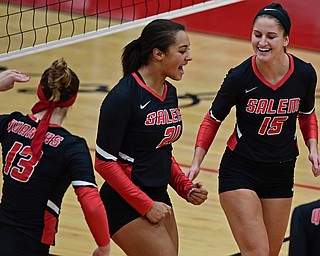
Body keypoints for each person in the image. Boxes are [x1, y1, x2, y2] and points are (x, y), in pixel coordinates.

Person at [187, 2, 320, 256]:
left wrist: (312, 148)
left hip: (281, 171)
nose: (262, 42)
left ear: (286, 39)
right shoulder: (239, 77)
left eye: (271, 36)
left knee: (270, 253)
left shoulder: (304, 73)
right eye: (257, 35)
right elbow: (212, 118)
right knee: (257, 253)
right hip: (240, 169)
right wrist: (196, 161)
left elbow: (306, 114)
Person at [94, 19, 208, 256]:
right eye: (182, 51)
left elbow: (162, 149)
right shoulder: (122, 97)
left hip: (157, 193)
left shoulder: (170, 92)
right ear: (158, 54)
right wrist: (144, 205)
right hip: (123, 198)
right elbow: (104, 162)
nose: (189, 57)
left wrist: (184, 187)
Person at [0, 60, 111, 256]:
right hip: (31, 246)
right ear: (73, 99)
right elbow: (92, 204)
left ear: (39, 91)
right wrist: (104, 247)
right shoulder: (72, 147)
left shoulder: (10, 123)